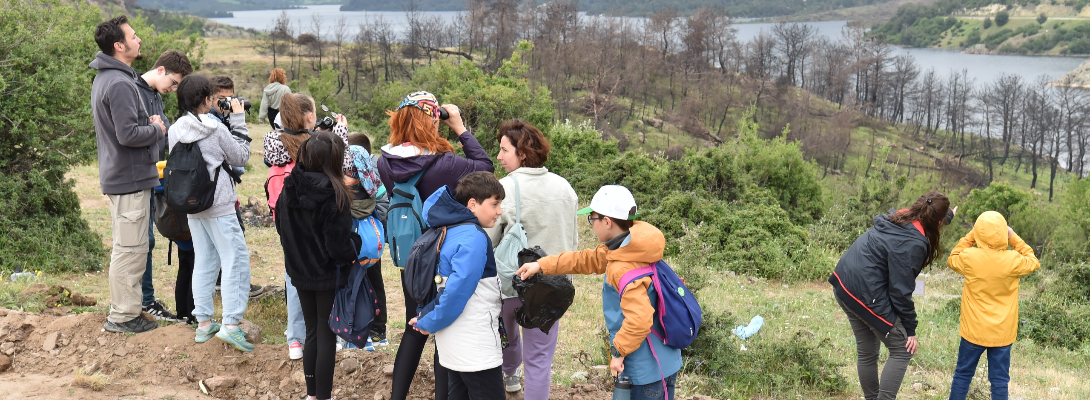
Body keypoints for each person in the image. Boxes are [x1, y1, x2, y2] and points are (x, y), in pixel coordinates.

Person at [377, 91, 494, 400]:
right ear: (431, 122)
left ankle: (397, 396)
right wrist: (459, 126)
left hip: (409, 254)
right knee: (441, 327)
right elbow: (484, 166)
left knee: (413, 326)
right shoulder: (444, 164)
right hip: (442, 251)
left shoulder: (384, 161)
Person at [516, 185, 682, 400]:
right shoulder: (630, 248)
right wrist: (542, 265)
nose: (591, 225)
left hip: (646, 371)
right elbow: (585, 259)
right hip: (664, 359)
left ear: (607, 221)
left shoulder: (623, 266)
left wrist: (618, 353)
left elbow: (640, 319)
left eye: (592, 219)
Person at [483, 120, 578, 396]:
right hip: (552, 286)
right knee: (539, 360)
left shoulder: (504, 189)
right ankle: (516, 378)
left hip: (511, 283)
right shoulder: (565, 188)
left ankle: (510, 374)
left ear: (522, 153)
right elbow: (572, 240)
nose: (498, 157)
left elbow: (488, 240)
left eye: (504, 150)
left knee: (506, 337)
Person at [828, 192, 953, 400]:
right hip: (864, 291)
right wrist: (910, 330)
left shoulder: (899, 217)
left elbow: (933, 216)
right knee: (903, 349)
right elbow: (900, 292)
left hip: (844, 281)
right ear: (937, 222)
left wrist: (946, 216)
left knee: (867, 350)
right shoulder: (914, 243)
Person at [263, 92, 352, 360]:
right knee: (322, 277)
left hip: (287, 214)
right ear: (310, 116)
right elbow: (342, 166)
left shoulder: (273, 140)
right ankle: (330, 336)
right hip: (315, 212)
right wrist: (339, 136)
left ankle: (295, 339)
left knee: (294, 276)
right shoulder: (313, 143)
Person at [168, 74, 254, 352]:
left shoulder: (175, 129)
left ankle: (203, 323)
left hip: (192, 204)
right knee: (235, 260)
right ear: (207, 100)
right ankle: (231, 325)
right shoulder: (214, 129)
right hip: (219, 203)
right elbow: (240, 157)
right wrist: (238, 120)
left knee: (204, 261)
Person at [91, 15, 165, 334]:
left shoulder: (111, 78)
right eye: (134, 37)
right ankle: (123, 316)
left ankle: (128, 310)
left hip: (125, 177)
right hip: (129, 179)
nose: (139, 41)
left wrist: (145, 124)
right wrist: (157, 128)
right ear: (119, 46)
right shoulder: (120, 83)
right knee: (130, 249)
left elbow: (126, 128)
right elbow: (128, 135)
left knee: (130, 246)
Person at [276, 131, 363, 400]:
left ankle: (312, 394)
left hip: (299, 271)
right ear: (333, 160)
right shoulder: (334, 193)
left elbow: (281, 227)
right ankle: (323, 396)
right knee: (326, 333)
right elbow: (338, 247)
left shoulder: (289, 186)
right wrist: (356, 245)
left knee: (312, 331)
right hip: (326, 274)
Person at [410, 171, 506, 400]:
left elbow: (445, 286)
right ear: (473, 204)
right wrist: (430, 320)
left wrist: (427, 315)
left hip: (453, 341)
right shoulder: (473, 237)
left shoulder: (450, 229)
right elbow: (457, 291)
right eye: (495, 204)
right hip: (474, 344)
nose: (499, 211)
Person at [946, 211, 1040, 400]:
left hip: (973, 330)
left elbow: (952, 257)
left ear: (978, 232)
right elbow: (1033, 261)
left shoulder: (970, 257)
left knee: (963, 375)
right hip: (1002, 333)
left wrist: (972, 236)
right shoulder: (1013, 260)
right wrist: (1013, 238)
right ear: (1003, 232)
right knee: (999, 381)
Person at [135, 49, 193, 322]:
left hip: (153, 174)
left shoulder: (155, 95)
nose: (173, 89)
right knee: (140, 241)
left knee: (147, 240)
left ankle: (146, 299)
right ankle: (144, 301)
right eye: (174, 82)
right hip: (136, 176)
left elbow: (164, 127)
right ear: (161, 70)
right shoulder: (134, 90)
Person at [208, 74, 264, 298]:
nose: (226, 104)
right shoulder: (213, 122)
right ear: (209, 98)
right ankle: (235, 283)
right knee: (234, 237)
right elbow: (238, 159)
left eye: (230, 99)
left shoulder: (225, 120)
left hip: (224, 187)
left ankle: (224, 279)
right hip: (219, 191)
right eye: (221, 99)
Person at [345, 132, 389, 351]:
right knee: (375, 281)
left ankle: (358, 330)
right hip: (374, 240)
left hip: (354, 241)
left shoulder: (345, 183)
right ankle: (378, 330)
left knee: (354, 284)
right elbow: (383, 204)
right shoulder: (374, 177)